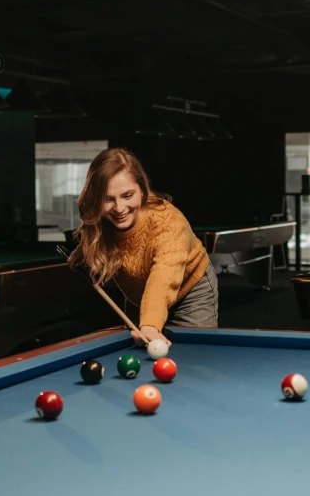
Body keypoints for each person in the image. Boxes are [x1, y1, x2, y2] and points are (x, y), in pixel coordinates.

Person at [70, 148, 218, 347]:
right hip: (140, 296)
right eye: (108, 199)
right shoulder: (100, 218)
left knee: (195, 354)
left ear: (142, 190)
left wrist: (150, 325)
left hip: (190, 291)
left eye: (127, 195)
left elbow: (163, 276)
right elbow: (97, 238)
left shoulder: (168, 223)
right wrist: (81, 254)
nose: (119, 208)